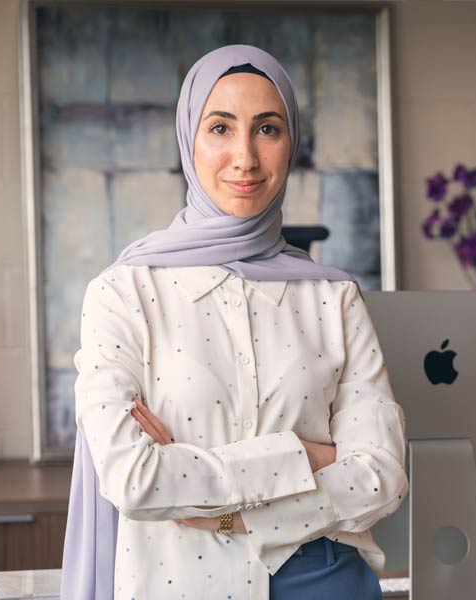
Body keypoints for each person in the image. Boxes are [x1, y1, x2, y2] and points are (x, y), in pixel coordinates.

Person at [61, 45, 408, 600]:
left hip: (329, 582)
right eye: (220, 127)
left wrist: (233, 513)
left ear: (290, 143)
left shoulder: (334, 296)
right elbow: (134, 480)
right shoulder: (124, 293)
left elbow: (382, 478)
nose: (245, 157)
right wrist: (307, 456)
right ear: (188, 141)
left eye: (267, 129)